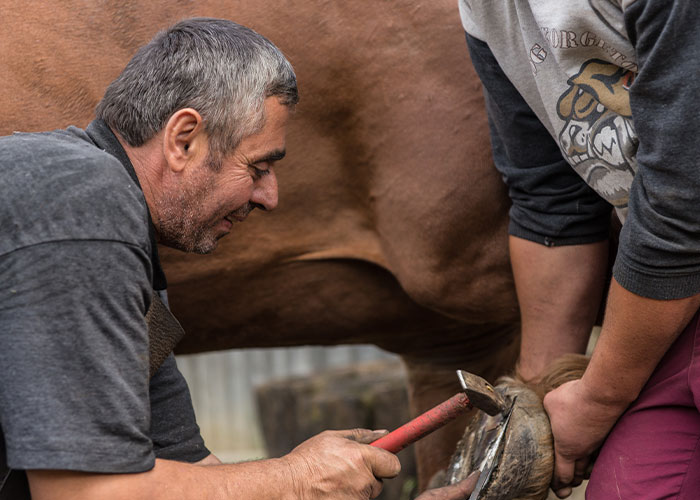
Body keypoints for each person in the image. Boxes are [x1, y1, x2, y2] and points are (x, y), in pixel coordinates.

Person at [0, 18, 478, 500]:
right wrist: (297, 477)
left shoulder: (129, 258)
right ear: (184, 139)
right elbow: (82, 495)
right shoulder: (84, 200)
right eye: (259, 167)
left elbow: (194, 474)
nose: (270, 197)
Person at [456, 1, 700, 498]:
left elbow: (686, 202)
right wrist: (531, 407)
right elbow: (549, 198)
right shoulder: (486, 11)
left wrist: (597, 400)